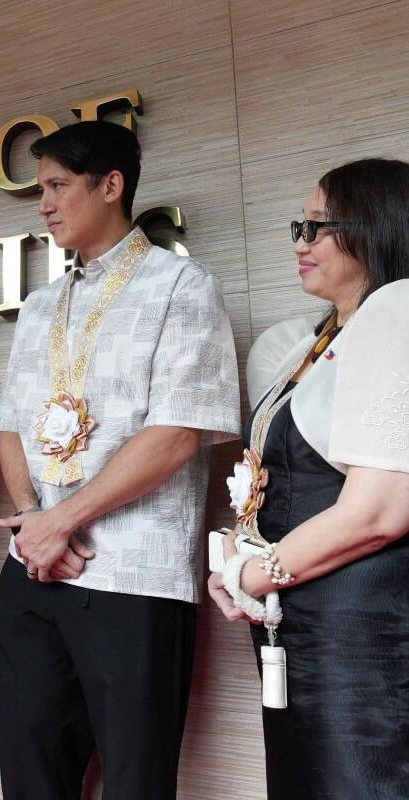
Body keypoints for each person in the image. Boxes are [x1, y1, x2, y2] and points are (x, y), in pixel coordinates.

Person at [0, 120, 241, 799]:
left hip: (133, 576)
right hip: (32, 573)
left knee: (134, 780)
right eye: (39, 188)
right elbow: (11, 426)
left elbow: (177, 433)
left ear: (110, 185)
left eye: (57, 186)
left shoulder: (182, 286)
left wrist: (59, 521)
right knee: (30, 777)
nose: (43, 203)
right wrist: (30, 520)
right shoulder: (40, 305)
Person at [209, 158, 409, 798]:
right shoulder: (314, 339)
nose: (302, 242)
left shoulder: (398, 309)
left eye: (321, 226)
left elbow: (380, 513)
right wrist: (242, 562)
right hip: (302, 616)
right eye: (302, 224)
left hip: (366, 622)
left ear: (379, 227)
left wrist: (251, 575)